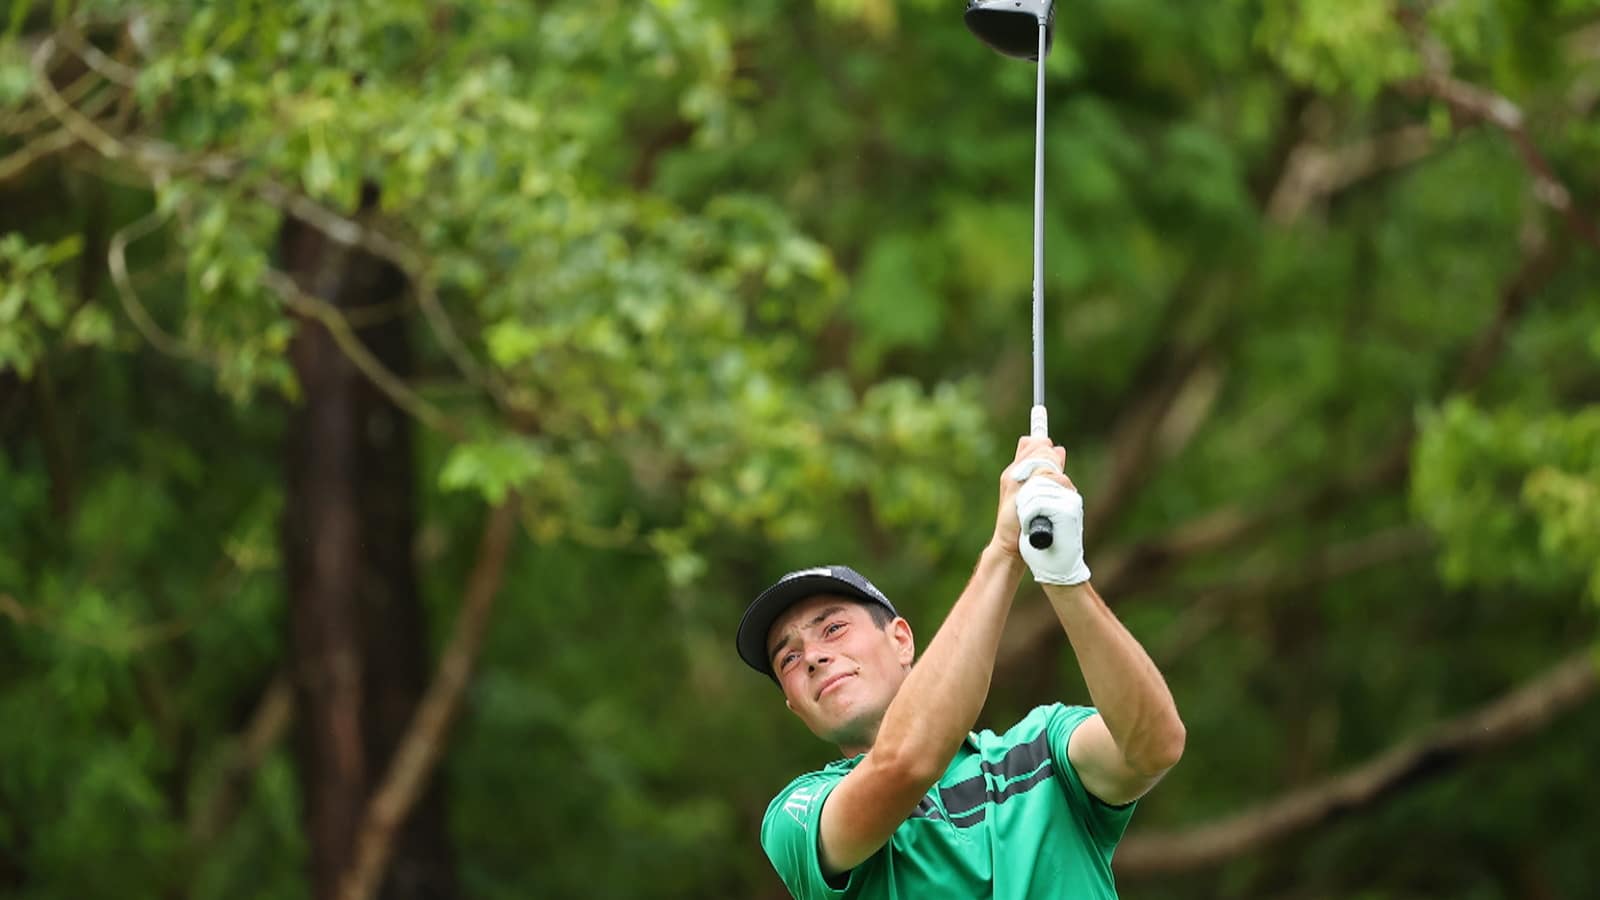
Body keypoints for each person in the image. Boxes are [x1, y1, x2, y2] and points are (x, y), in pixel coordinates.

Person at [735, 435, 1185, 899]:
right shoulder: (796, 815)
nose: (812, 657)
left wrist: (1066, 579)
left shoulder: (1045, 749)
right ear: (792, 704)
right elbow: (904, 764)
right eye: (789, 657)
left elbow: (1154, 747)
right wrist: (1004, 554)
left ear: (901, 640)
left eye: (832, 629)